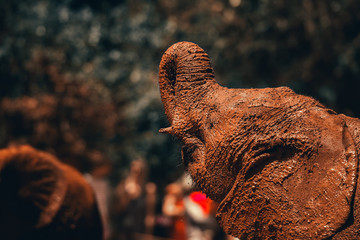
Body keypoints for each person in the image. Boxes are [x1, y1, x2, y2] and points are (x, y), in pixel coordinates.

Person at [111, 159, 156, 240]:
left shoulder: (148, 189)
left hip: (139, 230)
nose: (137, 174)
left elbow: (150, 215)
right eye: (135, 171)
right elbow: (116, 210)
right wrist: (126, 196)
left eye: (140, 172)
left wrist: (148, 234)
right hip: (122, 230)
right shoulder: (123, 186)